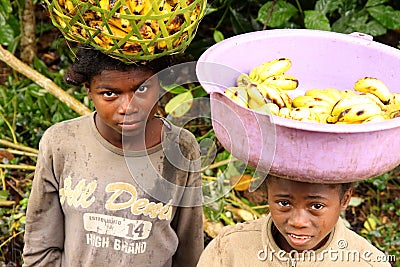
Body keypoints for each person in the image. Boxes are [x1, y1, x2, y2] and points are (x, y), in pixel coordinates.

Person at [22, 46, 204, 266]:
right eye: (110, 94)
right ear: (89, 90)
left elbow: (189, 251)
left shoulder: (181, 148)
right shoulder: (61, 143)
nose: (128, 107)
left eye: (142, 89)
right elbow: (40, 247)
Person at [197, 175, 391, 267]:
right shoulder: (229, 248)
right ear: (267, 195)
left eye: (316, 206)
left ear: (345, 200)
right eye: (283, 203)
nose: (298, 222)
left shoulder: (369, 262)